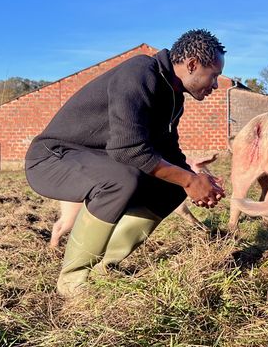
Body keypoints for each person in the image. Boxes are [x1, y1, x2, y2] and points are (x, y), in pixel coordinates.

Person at [25, 29, 226, 297]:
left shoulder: (173, 97)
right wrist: (190, 179)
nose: (215, 85)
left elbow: (168, 151)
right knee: (122, 179)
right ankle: (72, 281)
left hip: (97, 160)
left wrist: (195, 180)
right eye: (214, 76)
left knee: (171, 188)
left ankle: (104, 268)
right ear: (192, 65)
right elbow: (128, 149)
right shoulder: (140, 73)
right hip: (51, 158)